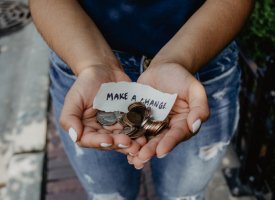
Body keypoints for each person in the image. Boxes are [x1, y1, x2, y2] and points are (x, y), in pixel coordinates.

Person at [29, 0, 253, 199]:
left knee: (185, 197)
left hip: (201, 64)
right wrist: (92, 65)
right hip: (82, 65)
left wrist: (176, 60)